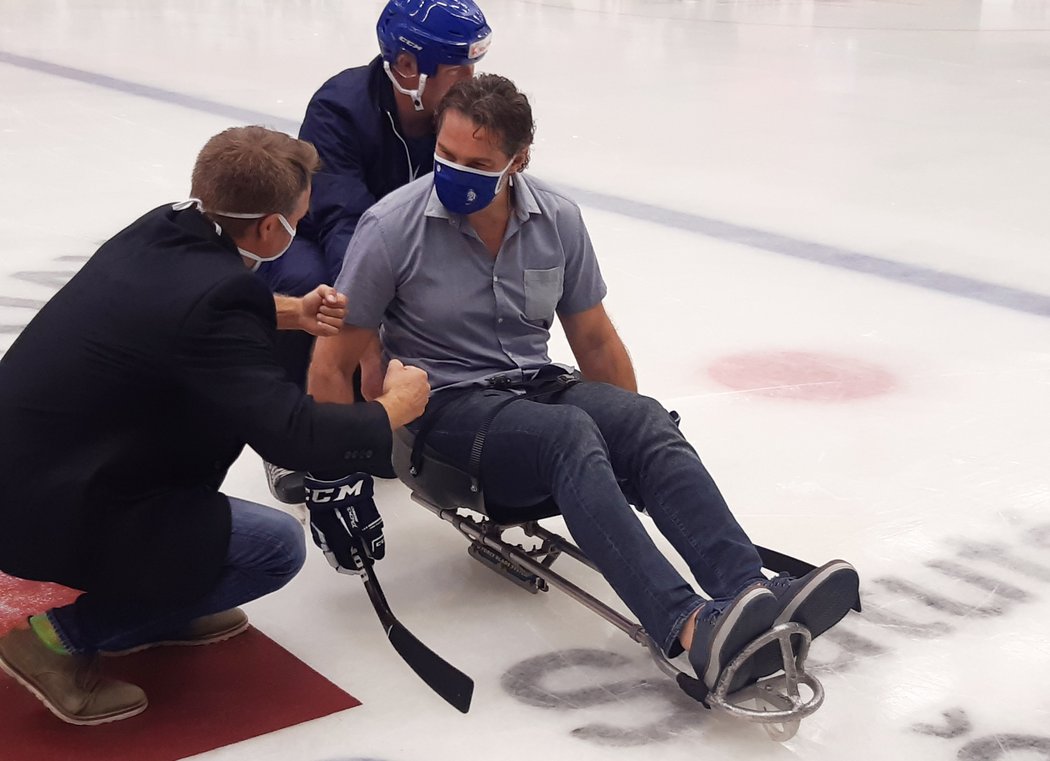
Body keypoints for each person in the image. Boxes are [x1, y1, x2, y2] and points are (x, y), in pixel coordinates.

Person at [307, 75, 861, 693]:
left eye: (478, 164)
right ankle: (689, 627)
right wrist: (339, 477)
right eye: (447, 156)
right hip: (443, 419)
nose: (455, 172)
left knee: (643, 419)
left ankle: (750, 591)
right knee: (567, 433)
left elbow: (594, 340)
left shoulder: (557, 221)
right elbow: (332, 362)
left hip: (537, 388)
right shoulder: (390, 228)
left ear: (518, 161)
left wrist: (630, 449)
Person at [0, 126, 429, 725]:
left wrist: (295, 313)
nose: (301, 225)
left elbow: (187, 308)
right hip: (44, 508)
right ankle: (54, 641)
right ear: (267, 228)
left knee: (204, 512)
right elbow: (293, 435)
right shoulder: (214, 303)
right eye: (297, 218)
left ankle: (166, 601)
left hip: (33, 465)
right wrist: (393, 410)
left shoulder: (165, 227)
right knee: (272, 549)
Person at [257, 0, 493, 503]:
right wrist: (363, 323)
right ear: (408, 67)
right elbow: (345, 223)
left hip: (398, 244)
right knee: (314, 293)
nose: (472, 81)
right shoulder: (339, 107)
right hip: (319, 241)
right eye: (459, 69)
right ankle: (287, 431)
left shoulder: (458, 115)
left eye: (475, 66)